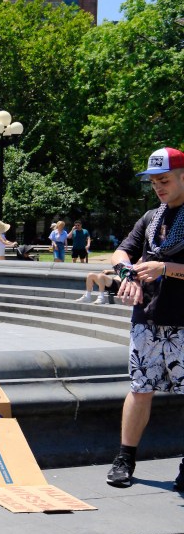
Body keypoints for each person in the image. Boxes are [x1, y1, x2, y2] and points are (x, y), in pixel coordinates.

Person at [105, 147, 184, 490]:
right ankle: (125, 459)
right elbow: (121, 252)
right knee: (139, 389)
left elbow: (164, 266)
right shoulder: (151, 218)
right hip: (147, 319)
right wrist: (128, 274)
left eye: (164, 180)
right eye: (153, 182)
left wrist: (165, 268)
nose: (158, 187)